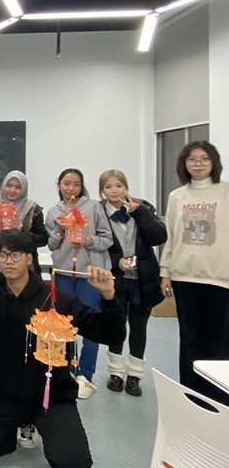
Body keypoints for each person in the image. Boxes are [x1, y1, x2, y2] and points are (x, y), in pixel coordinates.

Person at [0, 229, 125, 467]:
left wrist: (108, 297)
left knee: (73, 463)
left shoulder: (57, 299)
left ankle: (38, 425)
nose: (8, 261)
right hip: (8, 394)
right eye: (2, 255)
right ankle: (13, 431)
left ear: (29, 258)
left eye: (15, 254)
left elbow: (110, 334)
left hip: (52, 397)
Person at [159, 140, 229, 406]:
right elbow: (172, 236)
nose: (198, 164)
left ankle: (219, 400)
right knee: (190, 340)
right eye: (192, 159)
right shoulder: (177, 196)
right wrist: (165, 271)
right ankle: (192, 397)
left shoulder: (225, 192)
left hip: (220, 278)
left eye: (204, 159)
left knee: (220, 341)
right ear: (184, 164)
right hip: (184, 277)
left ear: (214, 162)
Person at [44, 168, 112, 399]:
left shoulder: (93, 207)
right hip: (63, 273)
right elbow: (51, 245)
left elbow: (107, 239)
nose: (71, 188)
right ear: (59, 184)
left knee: (90, 323)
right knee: (64, 324)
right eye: (66, 183)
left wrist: (87, 240)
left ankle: (86, 374)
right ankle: (67, 370)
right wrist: (59, 229)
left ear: (81, 186)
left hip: (89, 275)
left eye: (76, 184)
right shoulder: (54, 211)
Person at [100, 169, 166, 397]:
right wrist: (117, 262)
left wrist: (139, 213)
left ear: (126, 187)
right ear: (102, 190)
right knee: (116, 325)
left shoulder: (143, 207)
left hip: (143, 278)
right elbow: (99, 246)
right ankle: (115, 372)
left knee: (139, 327)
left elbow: (159, 237)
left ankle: (135, 375)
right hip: (116, 278)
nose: (114, 191)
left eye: (118, 186)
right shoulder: (99, 212)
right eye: (108, 187)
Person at [0, 170, 49, 275]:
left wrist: (22, 234)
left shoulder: (33, 209)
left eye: (18, 187)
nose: (12, 190)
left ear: (24, 189)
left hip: (26, 268)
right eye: (9, 186)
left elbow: (43, 239)